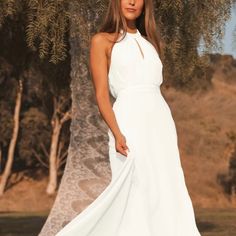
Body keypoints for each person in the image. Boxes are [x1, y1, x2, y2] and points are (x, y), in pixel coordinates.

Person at [55, 0, 202, 235]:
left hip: (160, 122)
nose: (132, 1)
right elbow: (102, 95)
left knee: (167, 187)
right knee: (134, 189)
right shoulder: (101, 41)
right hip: (129, 121)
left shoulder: (151, 42)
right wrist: (117, 132)